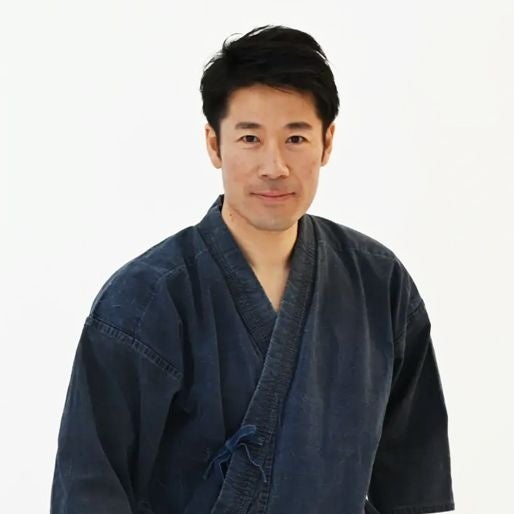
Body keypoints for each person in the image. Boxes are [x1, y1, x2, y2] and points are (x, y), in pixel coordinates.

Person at [50, 24, 455, 514]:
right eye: (249, 137)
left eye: (296, 137)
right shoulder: (144, 300)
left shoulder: (379, 284)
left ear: (327, 142)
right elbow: (89, 490)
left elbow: (414, 486)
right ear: (214, 144)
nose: (274, 166)